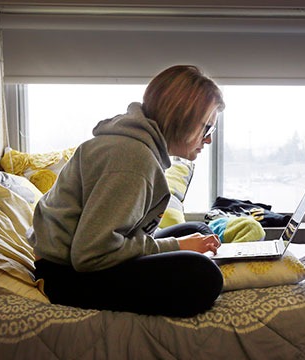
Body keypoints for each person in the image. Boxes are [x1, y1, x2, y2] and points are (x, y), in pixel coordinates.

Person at [28, 65, 225, 317]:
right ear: (181, 119)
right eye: (206, 128)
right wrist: (177, 246)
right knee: (204, 275)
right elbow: (90, 255)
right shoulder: (133, 160)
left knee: (197, 232)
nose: (208, 139)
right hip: (67, 276)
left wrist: (180, 244)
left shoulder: (137, 147)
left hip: (84, 258)